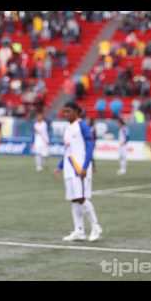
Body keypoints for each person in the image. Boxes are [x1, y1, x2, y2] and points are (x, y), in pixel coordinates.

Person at [54, 102, 102, 242]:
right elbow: (68, 151)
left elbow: (90, 146)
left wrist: (86, 166)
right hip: (69, 169)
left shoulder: (83, 126)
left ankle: (96, 226)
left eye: (68, 111)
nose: (65, 114)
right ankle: (79, 231)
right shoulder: (68, 128)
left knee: (81, 198)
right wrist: (60, 166)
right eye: (64, 111)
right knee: (74, 199)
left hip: (79, 169)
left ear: (77, 112)